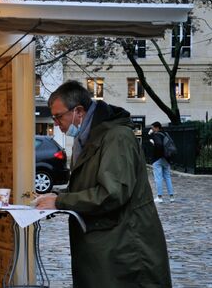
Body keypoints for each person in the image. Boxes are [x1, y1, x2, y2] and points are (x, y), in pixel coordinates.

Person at [35, 80, 171, 288]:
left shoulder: (116, 137)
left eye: (58, 116)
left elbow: (112, 193)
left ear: (78, 112)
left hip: (124, 250)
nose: (55, 123)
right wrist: (54, 197)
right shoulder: (87, 138)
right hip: (107, 245)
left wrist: (61, 201)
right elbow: (88, 185)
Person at [149, 121, 175, 203]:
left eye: (152, 128)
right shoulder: (165, 134)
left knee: (158, 178)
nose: (152, 129)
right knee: (167, 177)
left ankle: (159, 197)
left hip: (158, 159)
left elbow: (159, 145)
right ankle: (171, 197)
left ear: (157, 128)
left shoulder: (156, 135)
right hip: (166, 159)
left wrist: (152, 140)